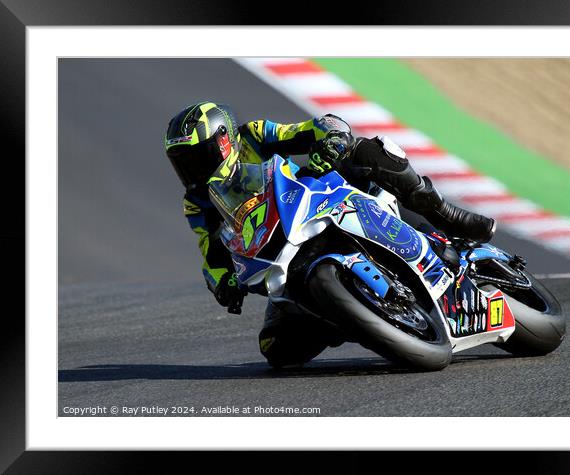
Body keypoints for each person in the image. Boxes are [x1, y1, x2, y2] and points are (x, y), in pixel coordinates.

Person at [165, 101, 496, 368]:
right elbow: (209, 253)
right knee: (275, 350)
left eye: (198, 156)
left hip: (318, 198)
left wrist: (331, 139)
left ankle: (444, 215)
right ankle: (344, 314)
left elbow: (319, 126)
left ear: (224, 141)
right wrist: (222, 283)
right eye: (182, 162)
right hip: (278, 252)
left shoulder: (254, 135)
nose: (192, 169)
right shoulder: (197, 202)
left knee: (364, 150)